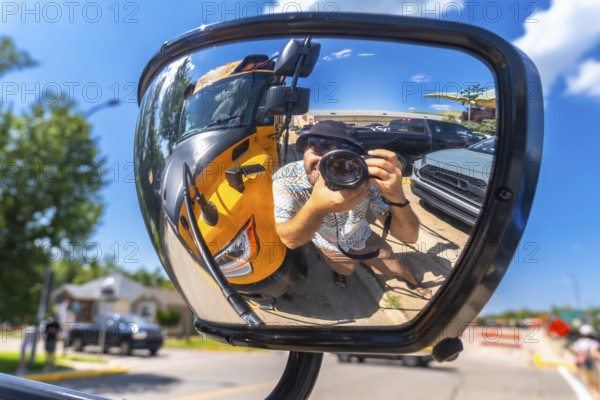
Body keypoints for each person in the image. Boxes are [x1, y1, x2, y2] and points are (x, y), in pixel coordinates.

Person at [272, 120, 431, 298]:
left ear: (359, 160)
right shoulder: (287, 179)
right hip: (328, 244)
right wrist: (316, 206)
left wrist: (397, 197)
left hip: (361, 236)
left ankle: (413, 282)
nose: (328, 161)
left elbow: (409, 237)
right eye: (318, 145)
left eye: (344, 155)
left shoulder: (365, 180)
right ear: (304, 151)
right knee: (344, 269)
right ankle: (341, 273)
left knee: (395, 266)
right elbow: (290, 240)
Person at [573, 325, 600, 398]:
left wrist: (577, 370)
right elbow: (593, 353)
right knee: (596, 387)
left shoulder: (578, 343)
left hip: (584, 367)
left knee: (591, 387)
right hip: (592, 366)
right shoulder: (592, 342)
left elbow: (577, 358)